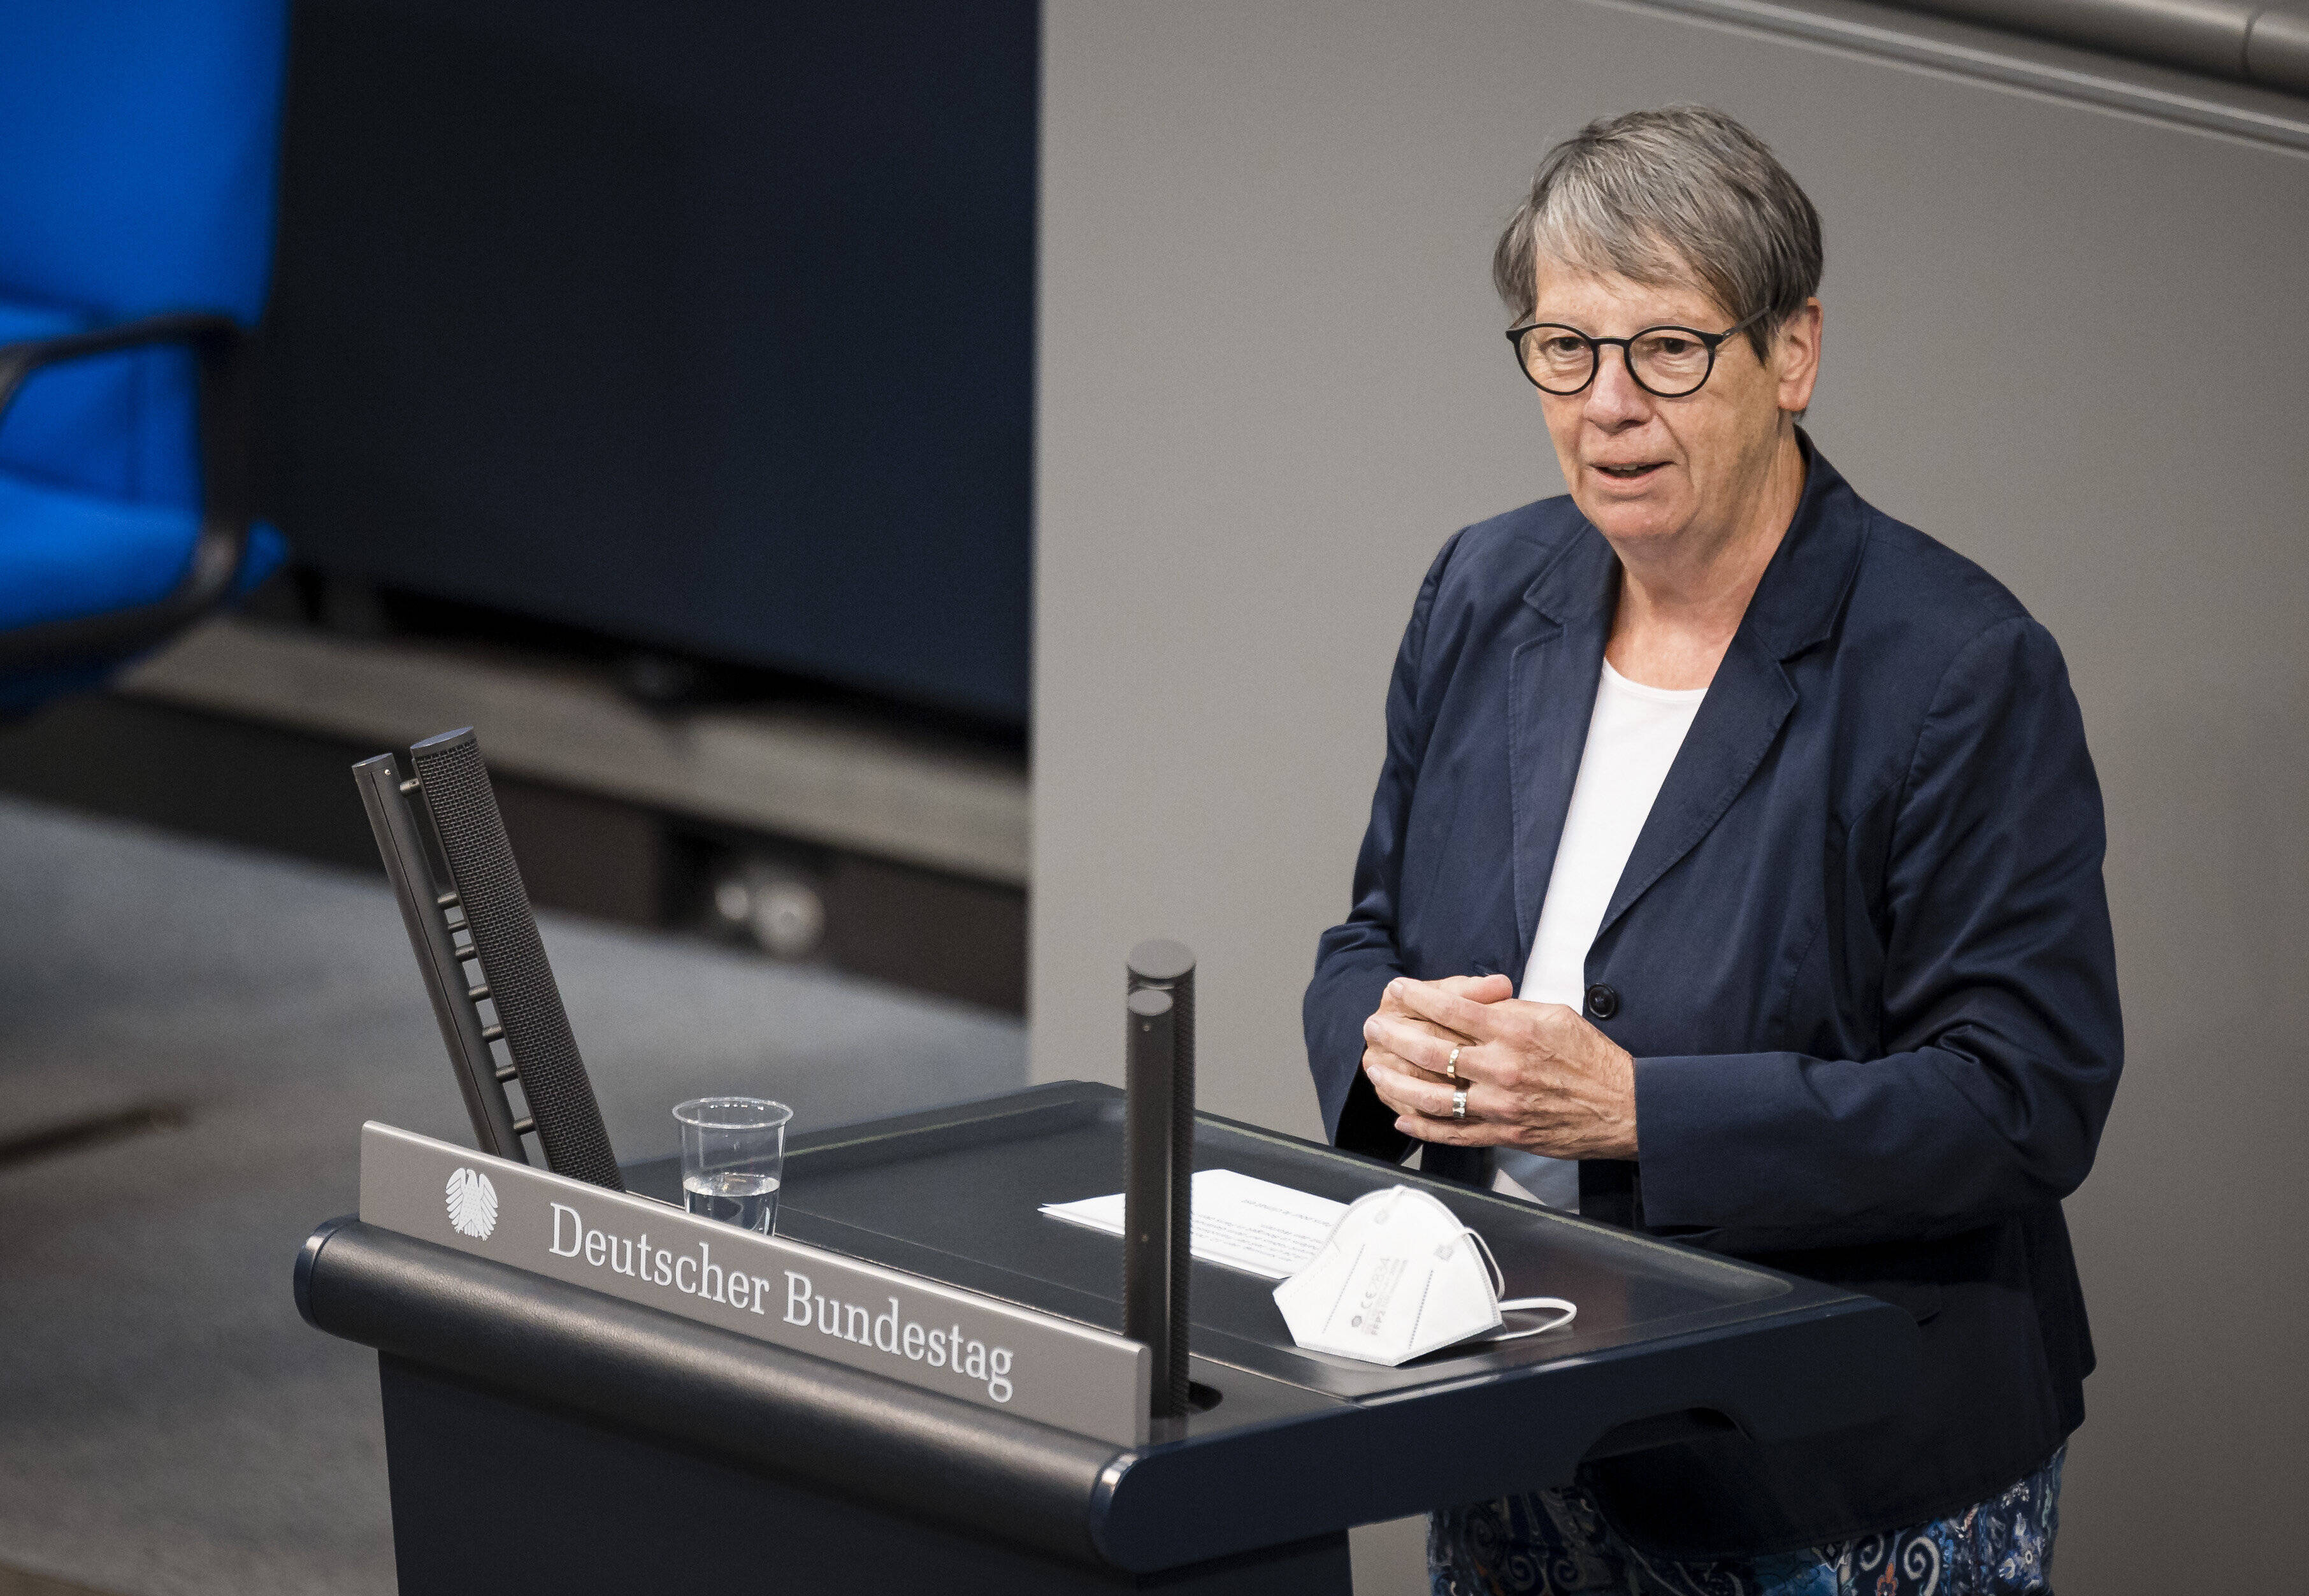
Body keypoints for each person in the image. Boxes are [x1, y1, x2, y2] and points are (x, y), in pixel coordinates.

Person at [1302, 106, 2120, 1595]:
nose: (1609, 405)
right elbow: (1370, 932)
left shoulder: (1958, 666)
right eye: (1566, 349)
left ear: (1791, 353)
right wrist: (1389, 1051)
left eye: (1668, 349)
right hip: (1515, 1422)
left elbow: (2021, 1099)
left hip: (1824, 1467)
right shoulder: (1487, 586)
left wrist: (1639, 1113)